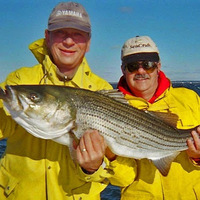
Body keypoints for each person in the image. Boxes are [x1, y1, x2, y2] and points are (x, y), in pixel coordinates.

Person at [0, 2, 134, 199]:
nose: (69, 41)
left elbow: (124, 178)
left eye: (78, 34)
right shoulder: (20, 81)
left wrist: (92, 169)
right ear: (47, 37)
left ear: (88, 42)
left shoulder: (102, 90)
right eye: (60, 32)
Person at [117, 35, 200, 199]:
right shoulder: (112, 109)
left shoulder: (190, 99)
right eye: (133, 66)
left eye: (147, 65)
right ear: (123, 69)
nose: (141, 71)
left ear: (158, 66)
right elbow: (118, 178)